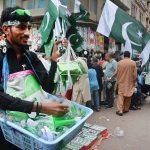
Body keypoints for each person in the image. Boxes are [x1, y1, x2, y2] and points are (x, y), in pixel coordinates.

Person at [0, 7, 69, 149]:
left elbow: (48, 87)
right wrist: (40, 107)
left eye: (29, 28)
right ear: (6, 29)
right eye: (21, 27)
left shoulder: (30, 57)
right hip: (5, 131)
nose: (27, 33)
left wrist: (54, 61)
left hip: (29, 128)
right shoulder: (1, 56)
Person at [116, 51, 137, 116]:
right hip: (130, 82)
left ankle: (120, 110)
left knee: (120, 96)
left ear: (124, 56)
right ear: (129, 55)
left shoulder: (119, 63)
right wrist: (134, 82)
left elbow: (117, 72)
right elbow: (135, 75)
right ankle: (126, 109)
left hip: (121, 82)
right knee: (128, 96)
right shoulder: (133, 63)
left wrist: (118, 80)